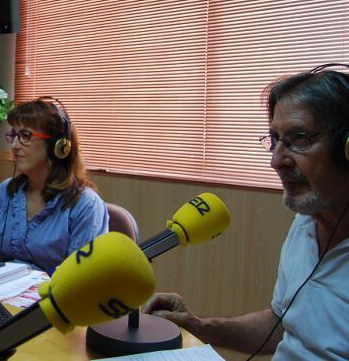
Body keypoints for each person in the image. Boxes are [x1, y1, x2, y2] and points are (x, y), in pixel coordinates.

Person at [142, 64, 349, 359]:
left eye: (299, 139)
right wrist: (199, 326)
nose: (276, 161)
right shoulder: (305, 223)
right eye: (275, 140)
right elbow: (281, 324)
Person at [0, 96, 109, 272]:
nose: (14, 145)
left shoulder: (86, 205)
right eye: (13, 135)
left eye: (25, 136)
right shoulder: (4, 192)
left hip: (54, 298)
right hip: (0, 296)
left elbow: (81, 282)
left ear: (57, 146)